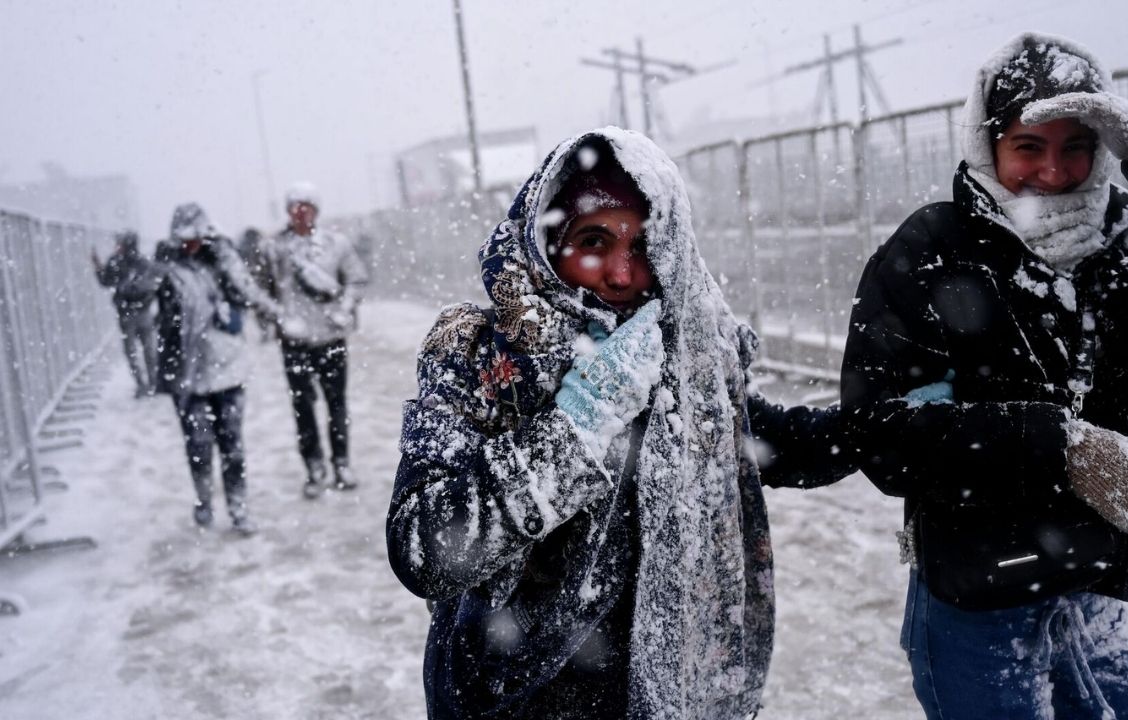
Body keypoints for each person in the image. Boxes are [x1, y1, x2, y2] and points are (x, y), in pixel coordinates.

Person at [839, 32, 1128, 719]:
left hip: (1095, 579)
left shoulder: (1122, 236)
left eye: (1077, 146)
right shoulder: (931, 249)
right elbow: (882, 431)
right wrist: (1058, 447)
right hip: (977, 596)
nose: (1053, 171)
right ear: (988, 145)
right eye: (1028, 146)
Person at [386, 128, 856, 719]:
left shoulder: (680, 354)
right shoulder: (475, 354)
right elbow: (425, 549)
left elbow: (762, 441)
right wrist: (577, 427)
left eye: (644, 245)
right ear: (546, 242)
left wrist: (885, 422)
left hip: (659, 692)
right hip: (512, 696)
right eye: (593, 241)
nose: (621, 274)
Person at [155, 203, 281, 534]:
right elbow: (147, 295)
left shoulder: (222, 263)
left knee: (232, 447)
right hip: (189, 374)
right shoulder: (167, 269)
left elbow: (248, 291)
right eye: (184, 238)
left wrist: (225, 255)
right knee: (198, 445)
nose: (191, 244)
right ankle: (204, 500)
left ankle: (238, 508)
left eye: (196, 237)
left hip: (228, 369)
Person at [266, 183, 369, 498]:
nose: (301, 212)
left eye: (307, 206)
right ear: (287, 211)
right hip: (294, 342)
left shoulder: (336, 244)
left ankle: (341, 463)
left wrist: (344, 309)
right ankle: (313, 467)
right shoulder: (275, 248)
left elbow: (356, 279)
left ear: (316, 210)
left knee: (336, 404)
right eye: (295, 206)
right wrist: (279, 318)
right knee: (303, 407)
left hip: (330, 338)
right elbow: (262, 289)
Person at [92, 230, 161, 397]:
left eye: (120, 243)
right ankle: (152, 383)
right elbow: (153, 284)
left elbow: (105, 281)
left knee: (132, 352)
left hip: (127, 314)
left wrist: (98, 266)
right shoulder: (143, 263)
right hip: (142, 312)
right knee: (149, 350)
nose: (117, 246)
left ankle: (143, 384)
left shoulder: (117, 262)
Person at [237, 226, 277, 342]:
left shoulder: (249, 250)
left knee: (260, 310)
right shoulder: (260, 250)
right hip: (259, 285)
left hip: (257, 285)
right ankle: (266, 331)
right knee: (261, 309)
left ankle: (265, 331)